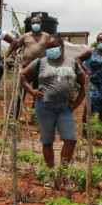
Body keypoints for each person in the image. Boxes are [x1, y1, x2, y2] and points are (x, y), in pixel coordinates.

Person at [20, 34, 86, 168]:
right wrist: (32, 91)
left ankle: (62, 174)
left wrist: (77, 102)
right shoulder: (40, 62)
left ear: (61, 46)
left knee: (71, 139)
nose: (51, 49)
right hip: (44, 106)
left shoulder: (72, 63)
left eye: (54, 46)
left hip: (65, 108)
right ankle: (50, 175)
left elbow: (84, 83)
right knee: (47, 141)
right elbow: (23, 75)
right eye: (48, 47)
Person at [5, 14, 50, 119]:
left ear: (41, 24)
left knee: (40, 93)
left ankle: (36, 117)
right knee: (21, 90)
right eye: (34, 23)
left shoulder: (46, 36)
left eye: (37, 23)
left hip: (41, 68)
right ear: (30, 24)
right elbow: (13, 48)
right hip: (27, 68)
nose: (35, 25)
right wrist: (18, 61)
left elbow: (53, 48)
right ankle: (14, 116)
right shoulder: (25, 36)